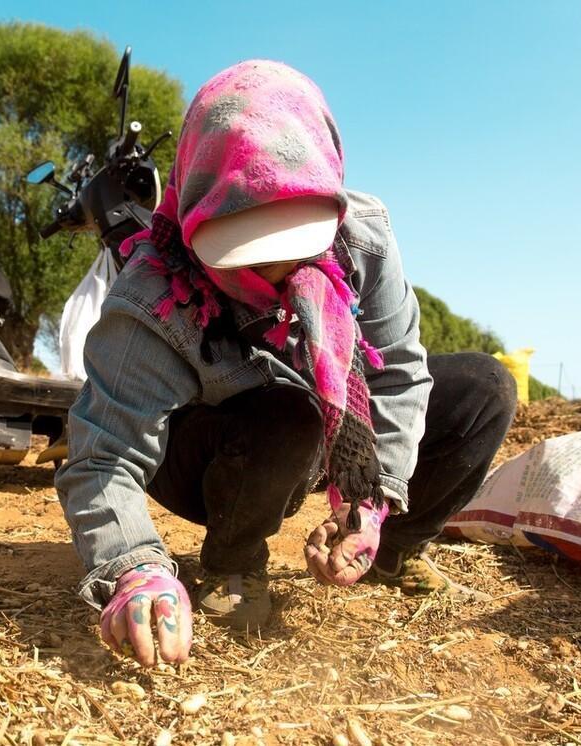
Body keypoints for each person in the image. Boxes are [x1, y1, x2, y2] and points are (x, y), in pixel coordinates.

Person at [55, 60, 516, 667]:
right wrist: (133, 568)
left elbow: (398, 372)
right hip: (208, 449)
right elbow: (103, 454)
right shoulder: (154, 296)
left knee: (484, 388)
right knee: (288, 412)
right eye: (241, 252)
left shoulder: (363, 240)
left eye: (291, 244)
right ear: (195, 217)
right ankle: (232, 564)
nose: (270, 273)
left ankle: (386, 550)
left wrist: (369, 504)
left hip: (316, 439)